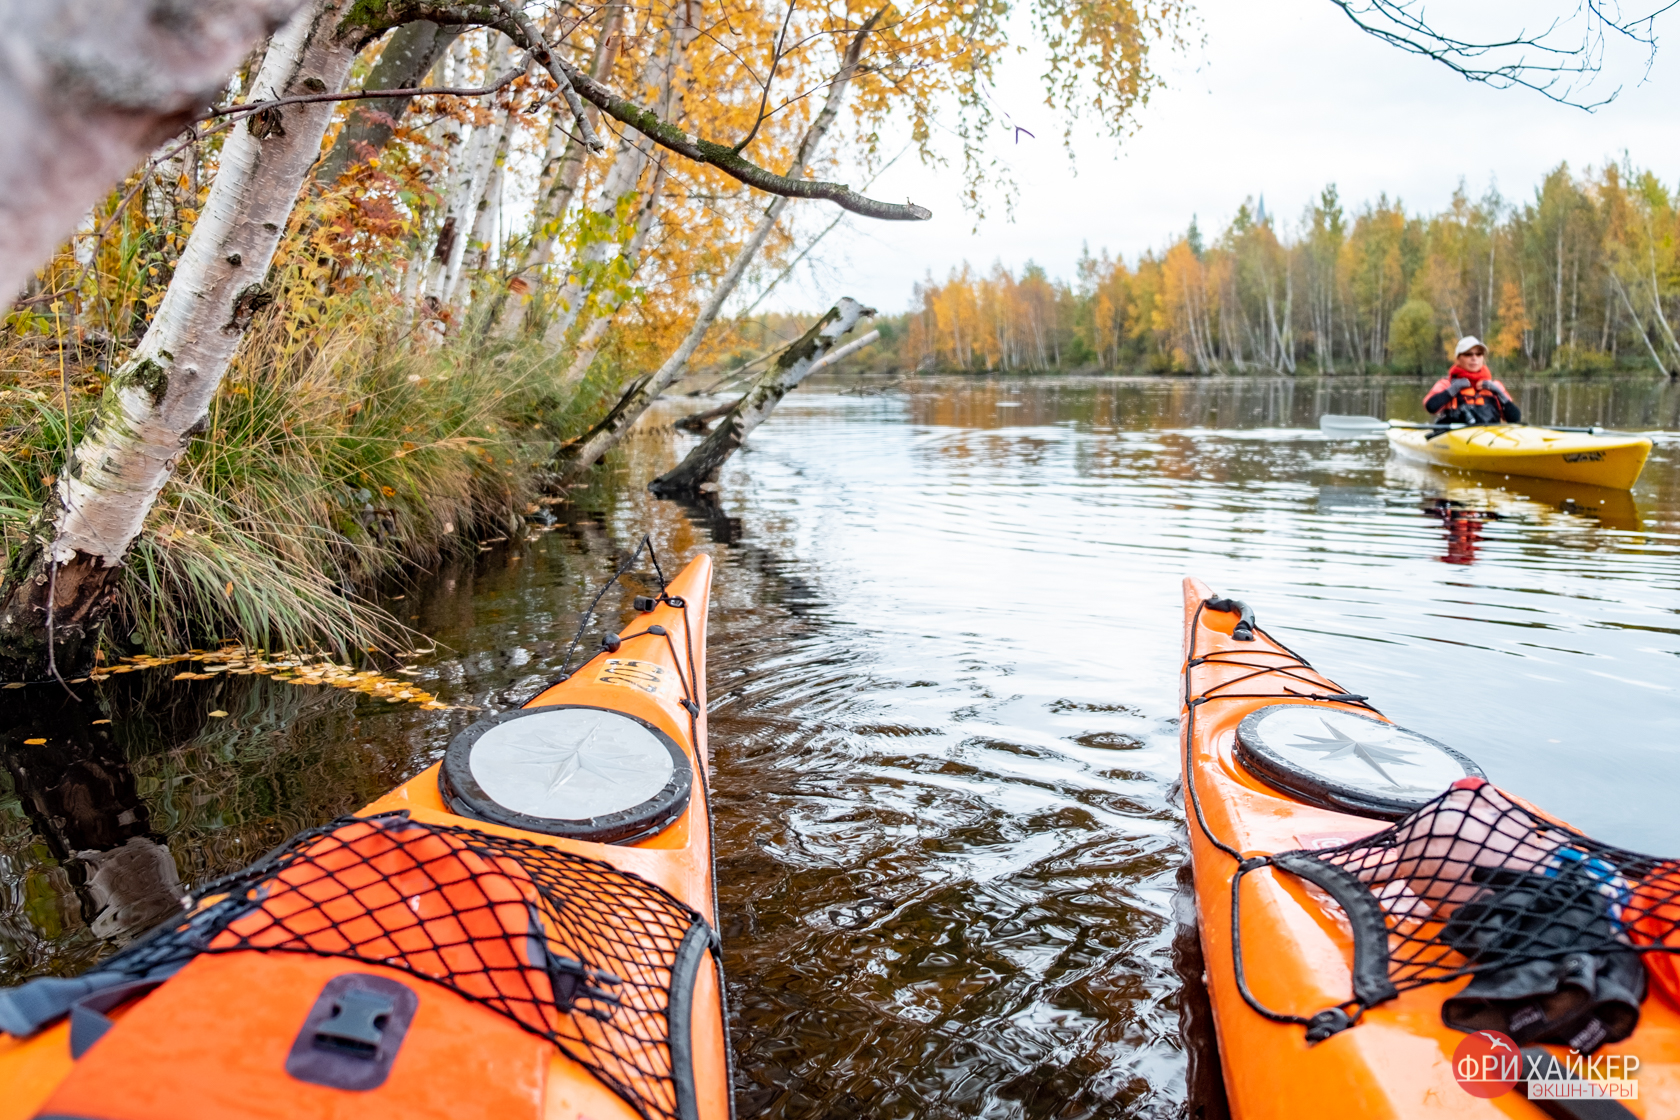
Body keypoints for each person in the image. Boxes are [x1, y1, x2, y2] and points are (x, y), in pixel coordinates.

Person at [1423, 337, 1521, 425]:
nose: (1474, 358)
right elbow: (1431, 407)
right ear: (1458, 359)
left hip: (1489, 436)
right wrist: (1453, 389)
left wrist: (1498, 392)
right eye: (1468, 354)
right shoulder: (1446, 384)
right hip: (1455, 437)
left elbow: (1515, 419)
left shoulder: (1495, 386)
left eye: (1478, 354)